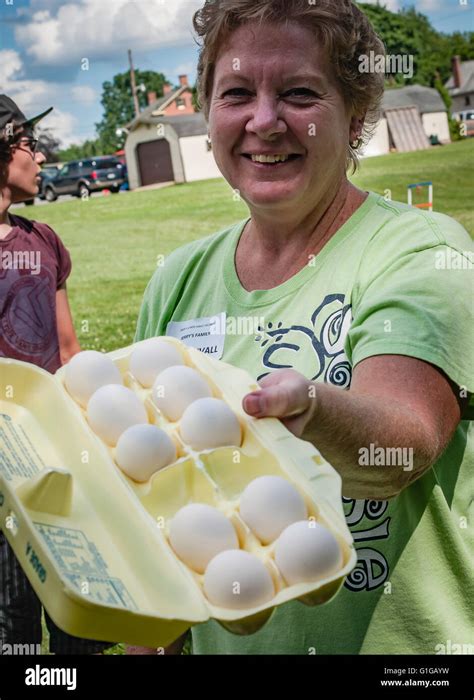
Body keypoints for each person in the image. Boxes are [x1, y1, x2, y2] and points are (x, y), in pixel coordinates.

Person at [133, 0, 473, 655]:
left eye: (298, 92)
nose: (264, 121)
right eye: (236, 93)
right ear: (208, 116)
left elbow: (404, 446)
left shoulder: (420, 250)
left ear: (357, 115)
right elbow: (162, 525)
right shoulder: (176, 281)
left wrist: (309, 411)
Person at [0, 94, 114, 654]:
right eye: (30, 145)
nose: (42, 157)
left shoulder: (43, 240)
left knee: (81, 619)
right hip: (2, 474)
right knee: (10, 624)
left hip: (58, 458)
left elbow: (69, 352)